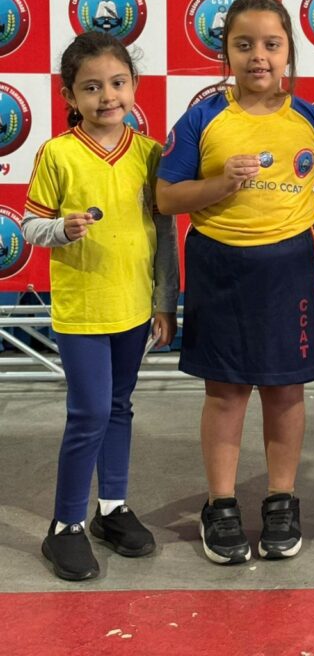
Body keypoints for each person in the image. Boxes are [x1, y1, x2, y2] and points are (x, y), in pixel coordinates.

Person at [156, 0, 314, 566]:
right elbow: (166, 197)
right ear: (226, 53)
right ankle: (219, 503)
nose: (258, 56)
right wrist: (221, 185)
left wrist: (291, 219)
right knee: (224, 391)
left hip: (290, 268)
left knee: (285, 389)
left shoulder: (312, 120)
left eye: (271, 44)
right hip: (219, 265)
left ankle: (280, 499)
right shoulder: (203, 118)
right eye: (244, 45)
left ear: (289, 52)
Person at [22, 31, 179, 581]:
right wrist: (60, 230)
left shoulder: (151, 154)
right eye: (91, 87)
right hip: (82, 309)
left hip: (134, 308)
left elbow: (164, 235)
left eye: (117, 83)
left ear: (134, 85)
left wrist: (164, 302)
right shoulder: (57, 153)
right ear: (69, 96)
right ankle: (64, 525)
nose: (107, 96)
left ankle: (111, 509)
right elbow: (30, 225)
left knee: (118, 407)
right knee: (88, 412)